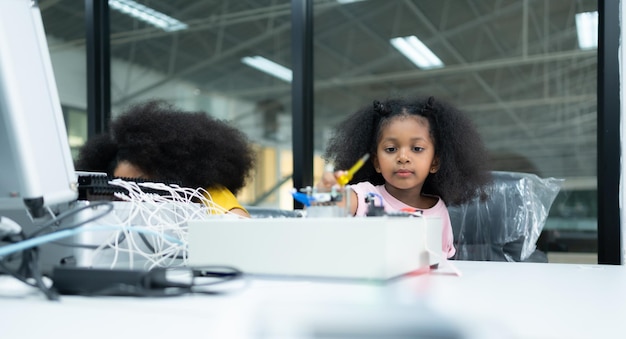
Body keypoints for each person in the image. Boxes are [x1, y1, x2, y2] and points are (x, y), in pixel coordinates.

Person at [319, 96, 492, 258]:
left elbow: (440, 265)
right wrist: (330, 195)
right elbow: (339, 202)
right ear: (377, 162)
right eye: (391, 149)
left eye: (417, 149)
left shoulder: (438, 211)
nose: (403, 157)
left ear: (434, 163)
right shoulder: (365, 196)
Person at [75, 99, 256, 217]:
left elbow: (241, 227)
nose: (130, 195)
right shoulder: (113, 210)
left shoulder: (208, 195)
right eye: (120, 186)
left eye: (138, 183)